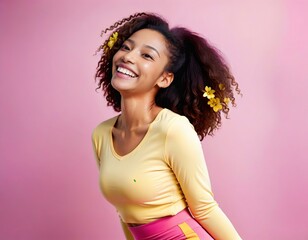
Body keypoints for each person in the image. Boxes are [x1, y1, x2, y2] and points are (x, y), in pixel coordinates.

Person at [92, 12, 242, 240]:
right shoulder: (101, 134)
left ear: (164, 79)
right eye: (126, 47)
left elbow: (205, 209)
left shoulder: (173, 129)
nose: (128, 57)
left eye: (147, 55)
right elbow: (124, 212)